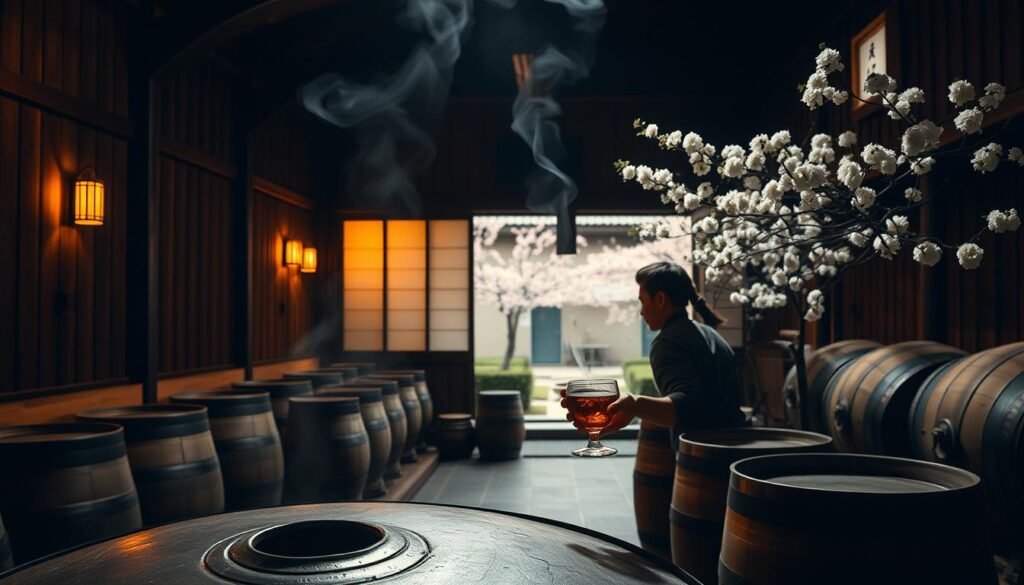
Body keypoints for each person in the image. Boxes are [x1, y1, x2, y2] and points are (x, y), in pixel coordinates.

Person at [562, 261, 745, 446]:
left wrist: (634, 405)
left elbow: (687, 407)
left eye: (643, 301)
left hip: (705, 458)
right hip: (736, 447)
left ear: (660, 299)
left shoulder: (667, 342)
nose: (641, 312)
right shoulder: (710, 334)